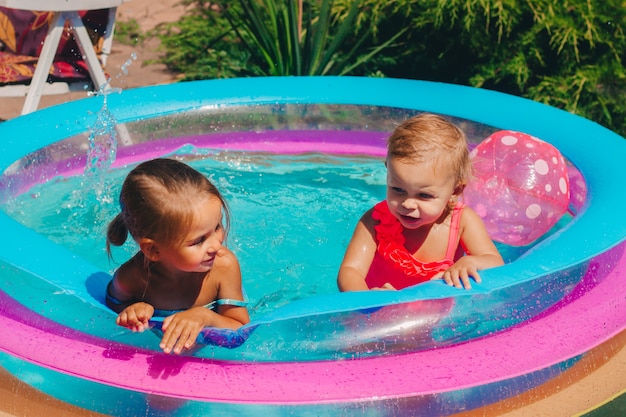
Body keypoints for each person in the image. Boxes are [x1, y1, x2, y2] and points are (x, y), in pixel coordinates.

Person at [337, 113, 504, 292]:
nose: (408, 204)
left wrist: (471, 261)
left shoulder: (463, 221)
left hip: (436, 312)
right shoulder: (376, 220)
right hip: (379, 308)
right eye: (398, 189)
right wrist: (367, 299)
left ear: (454, 191)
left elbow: (495, 261)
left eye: (424, 195)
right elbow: (350, 271)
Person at [105, 158, 249, 354]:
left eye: (217, 227)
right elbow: (112, 305)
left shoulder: (224, 266)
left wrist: (204, 317)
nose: (216, 245)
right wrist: (132, 310)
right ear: (154, 250)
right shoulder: (131, 278)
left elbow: (240, 328)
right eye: (199, 241)